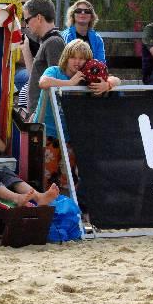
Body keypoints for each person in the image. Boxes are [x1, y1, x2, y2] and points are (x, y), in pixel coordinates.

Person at [36, 39, 121, 191]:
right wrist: (70, 84)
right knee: (46, 178)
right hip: (48, 134)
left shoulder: (88, 77)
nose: (77, 62)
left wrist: (107, 84)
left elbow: (117, 80)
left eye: (82, 58)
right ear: (66, 57)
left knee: (69, 180)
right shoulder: (55, 71)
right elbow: (43, 82)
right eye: (73, 57)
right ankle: (47, 205)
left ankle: (68, 205)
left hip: (70, 136)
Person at [24, 0, 66, 117]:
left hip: (44, 116)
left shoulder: (53, 42)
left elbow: (56, 83)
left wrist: (37, 113)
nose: (26, 25)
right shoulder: (48, 41)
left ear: (38, 18)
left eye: (27, 20)